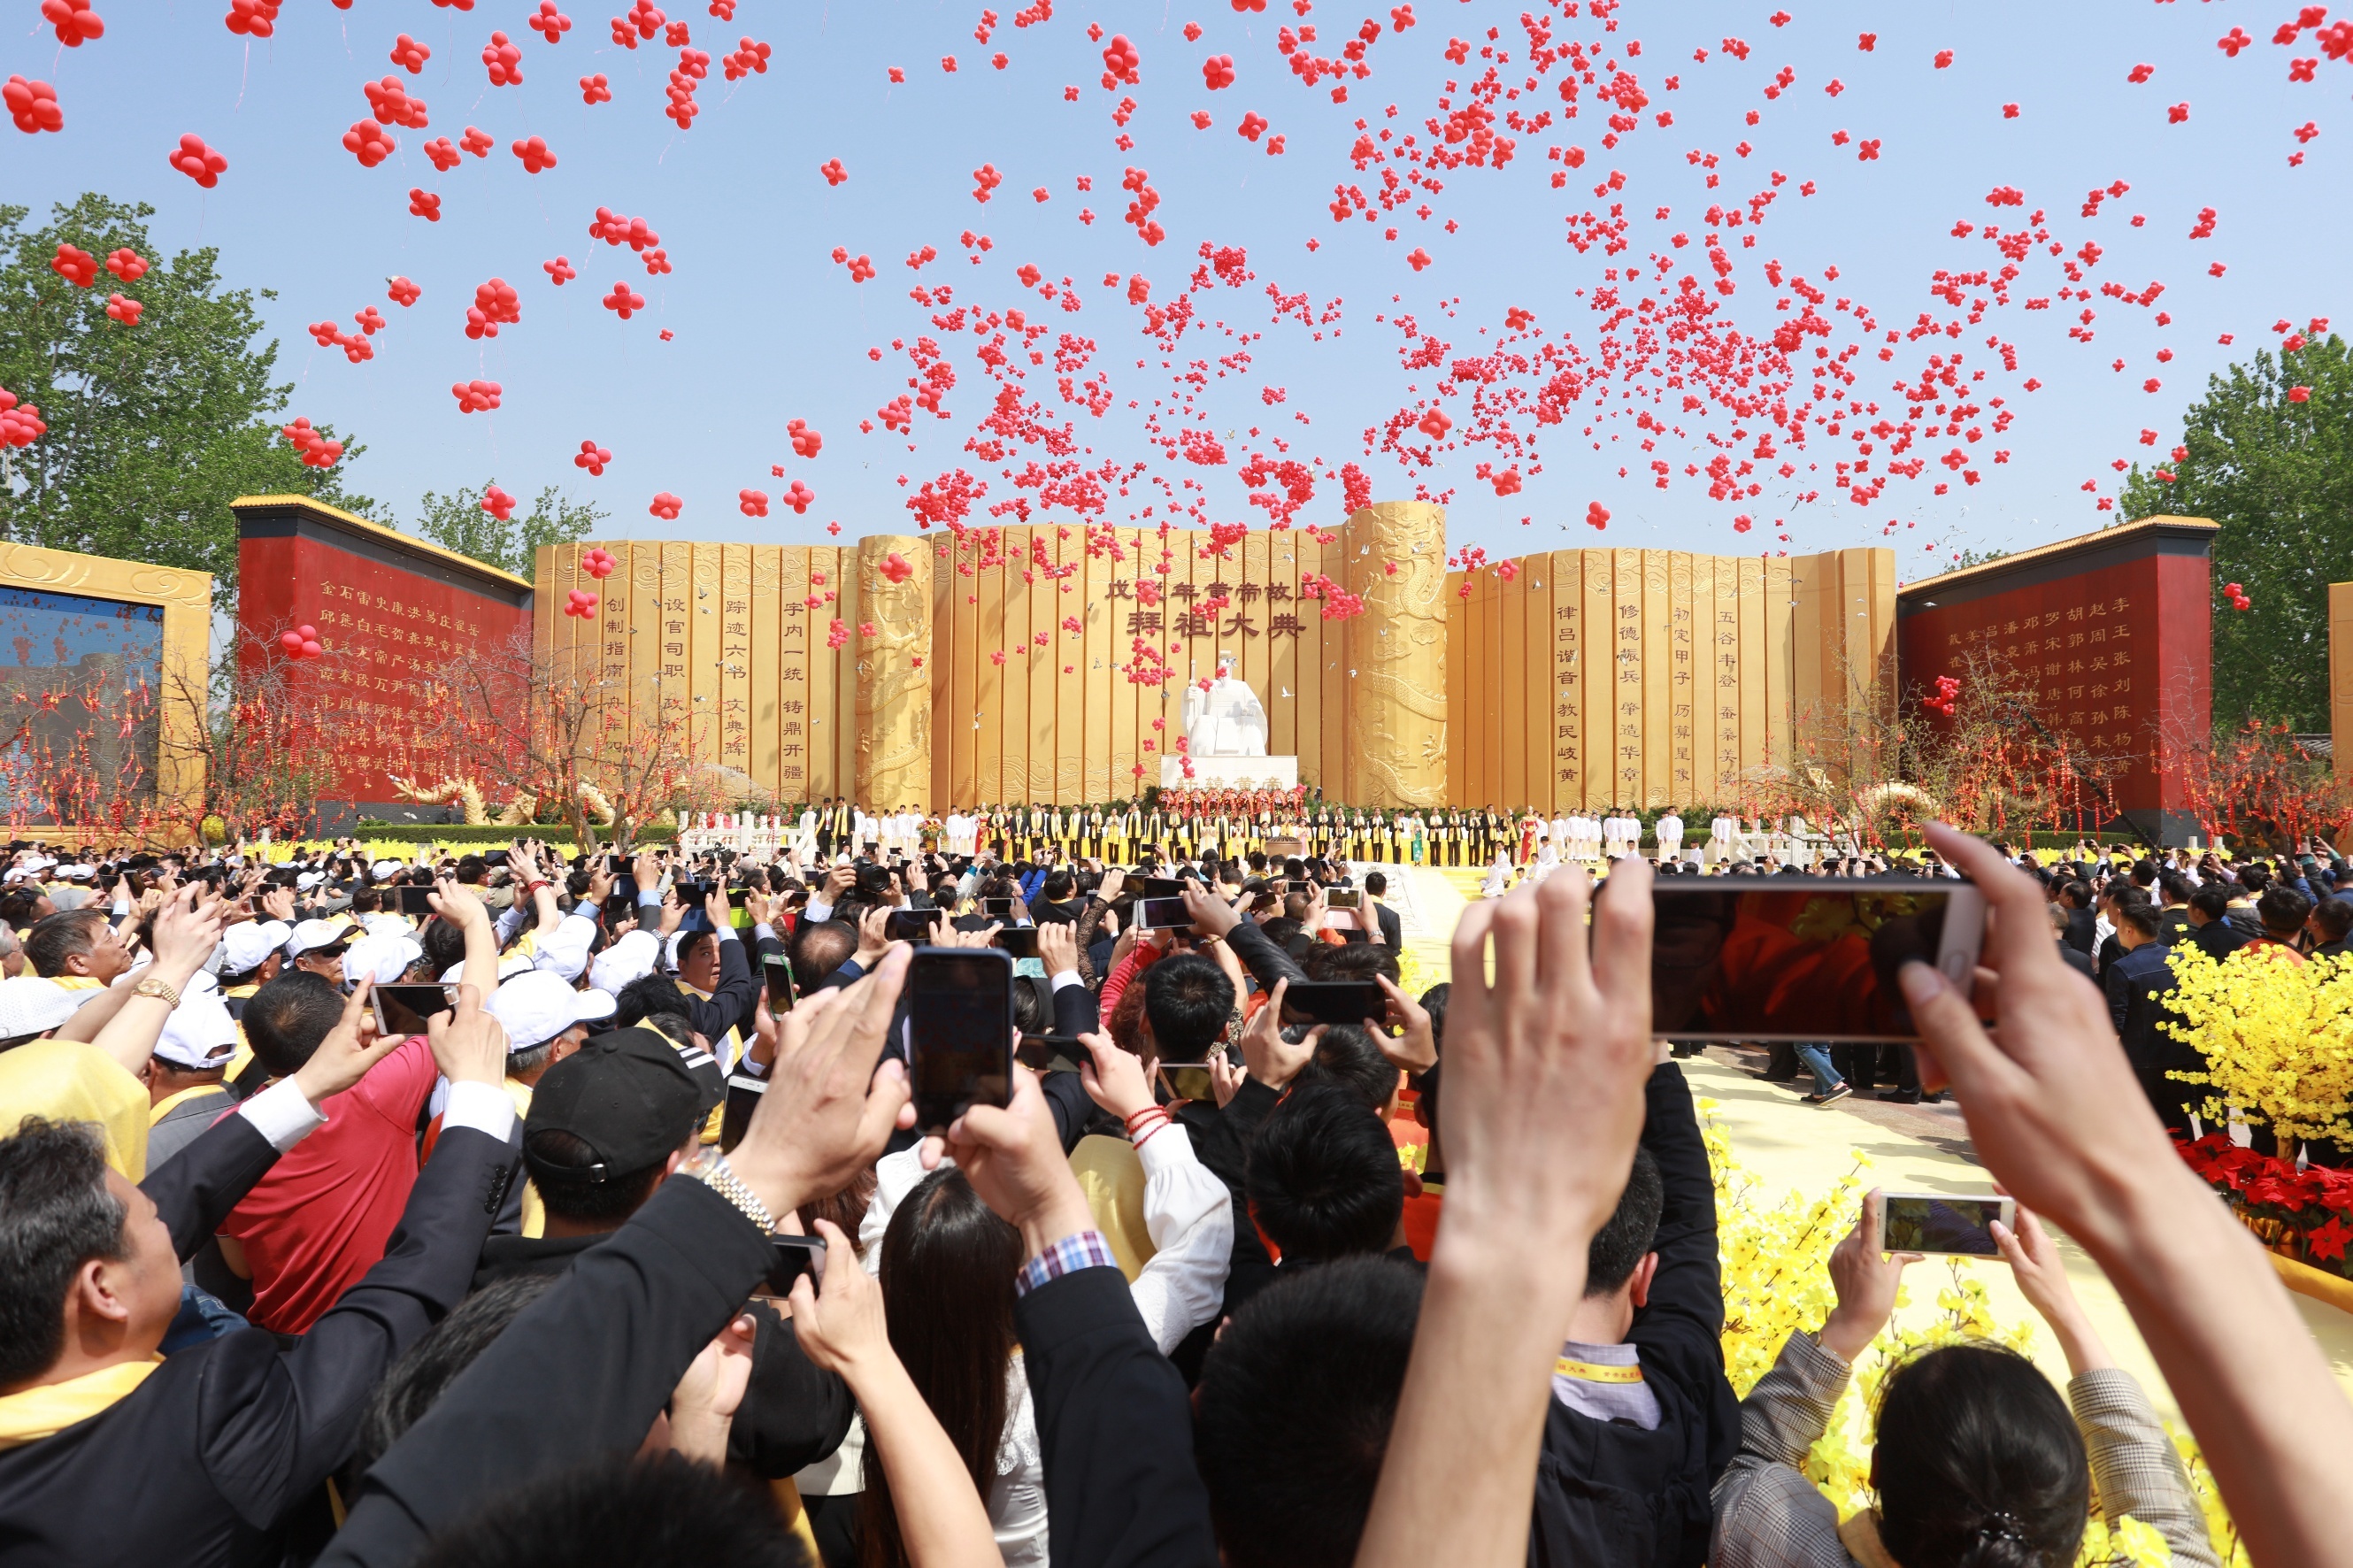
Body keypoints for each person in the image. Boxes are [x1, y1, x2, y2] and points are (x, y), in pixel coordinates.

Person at [0, 984, 519, 1567]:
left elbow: (180, 1194)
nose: (165, 1219)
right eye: (150, 1219)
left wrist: (307, 1087)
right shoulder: (203, 1435)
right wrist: (475, 1099)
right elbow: (396, 1307)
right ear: (102, 1290)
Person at [1710, 1193, 2218, 1568]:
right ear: (2084, 1498)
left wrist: (1847, 1327)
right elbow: (2172, 1534)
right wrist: (2065, 1310)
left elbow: (1744, 1462)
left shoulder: (1775, 1535)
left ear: (1877, 1470)